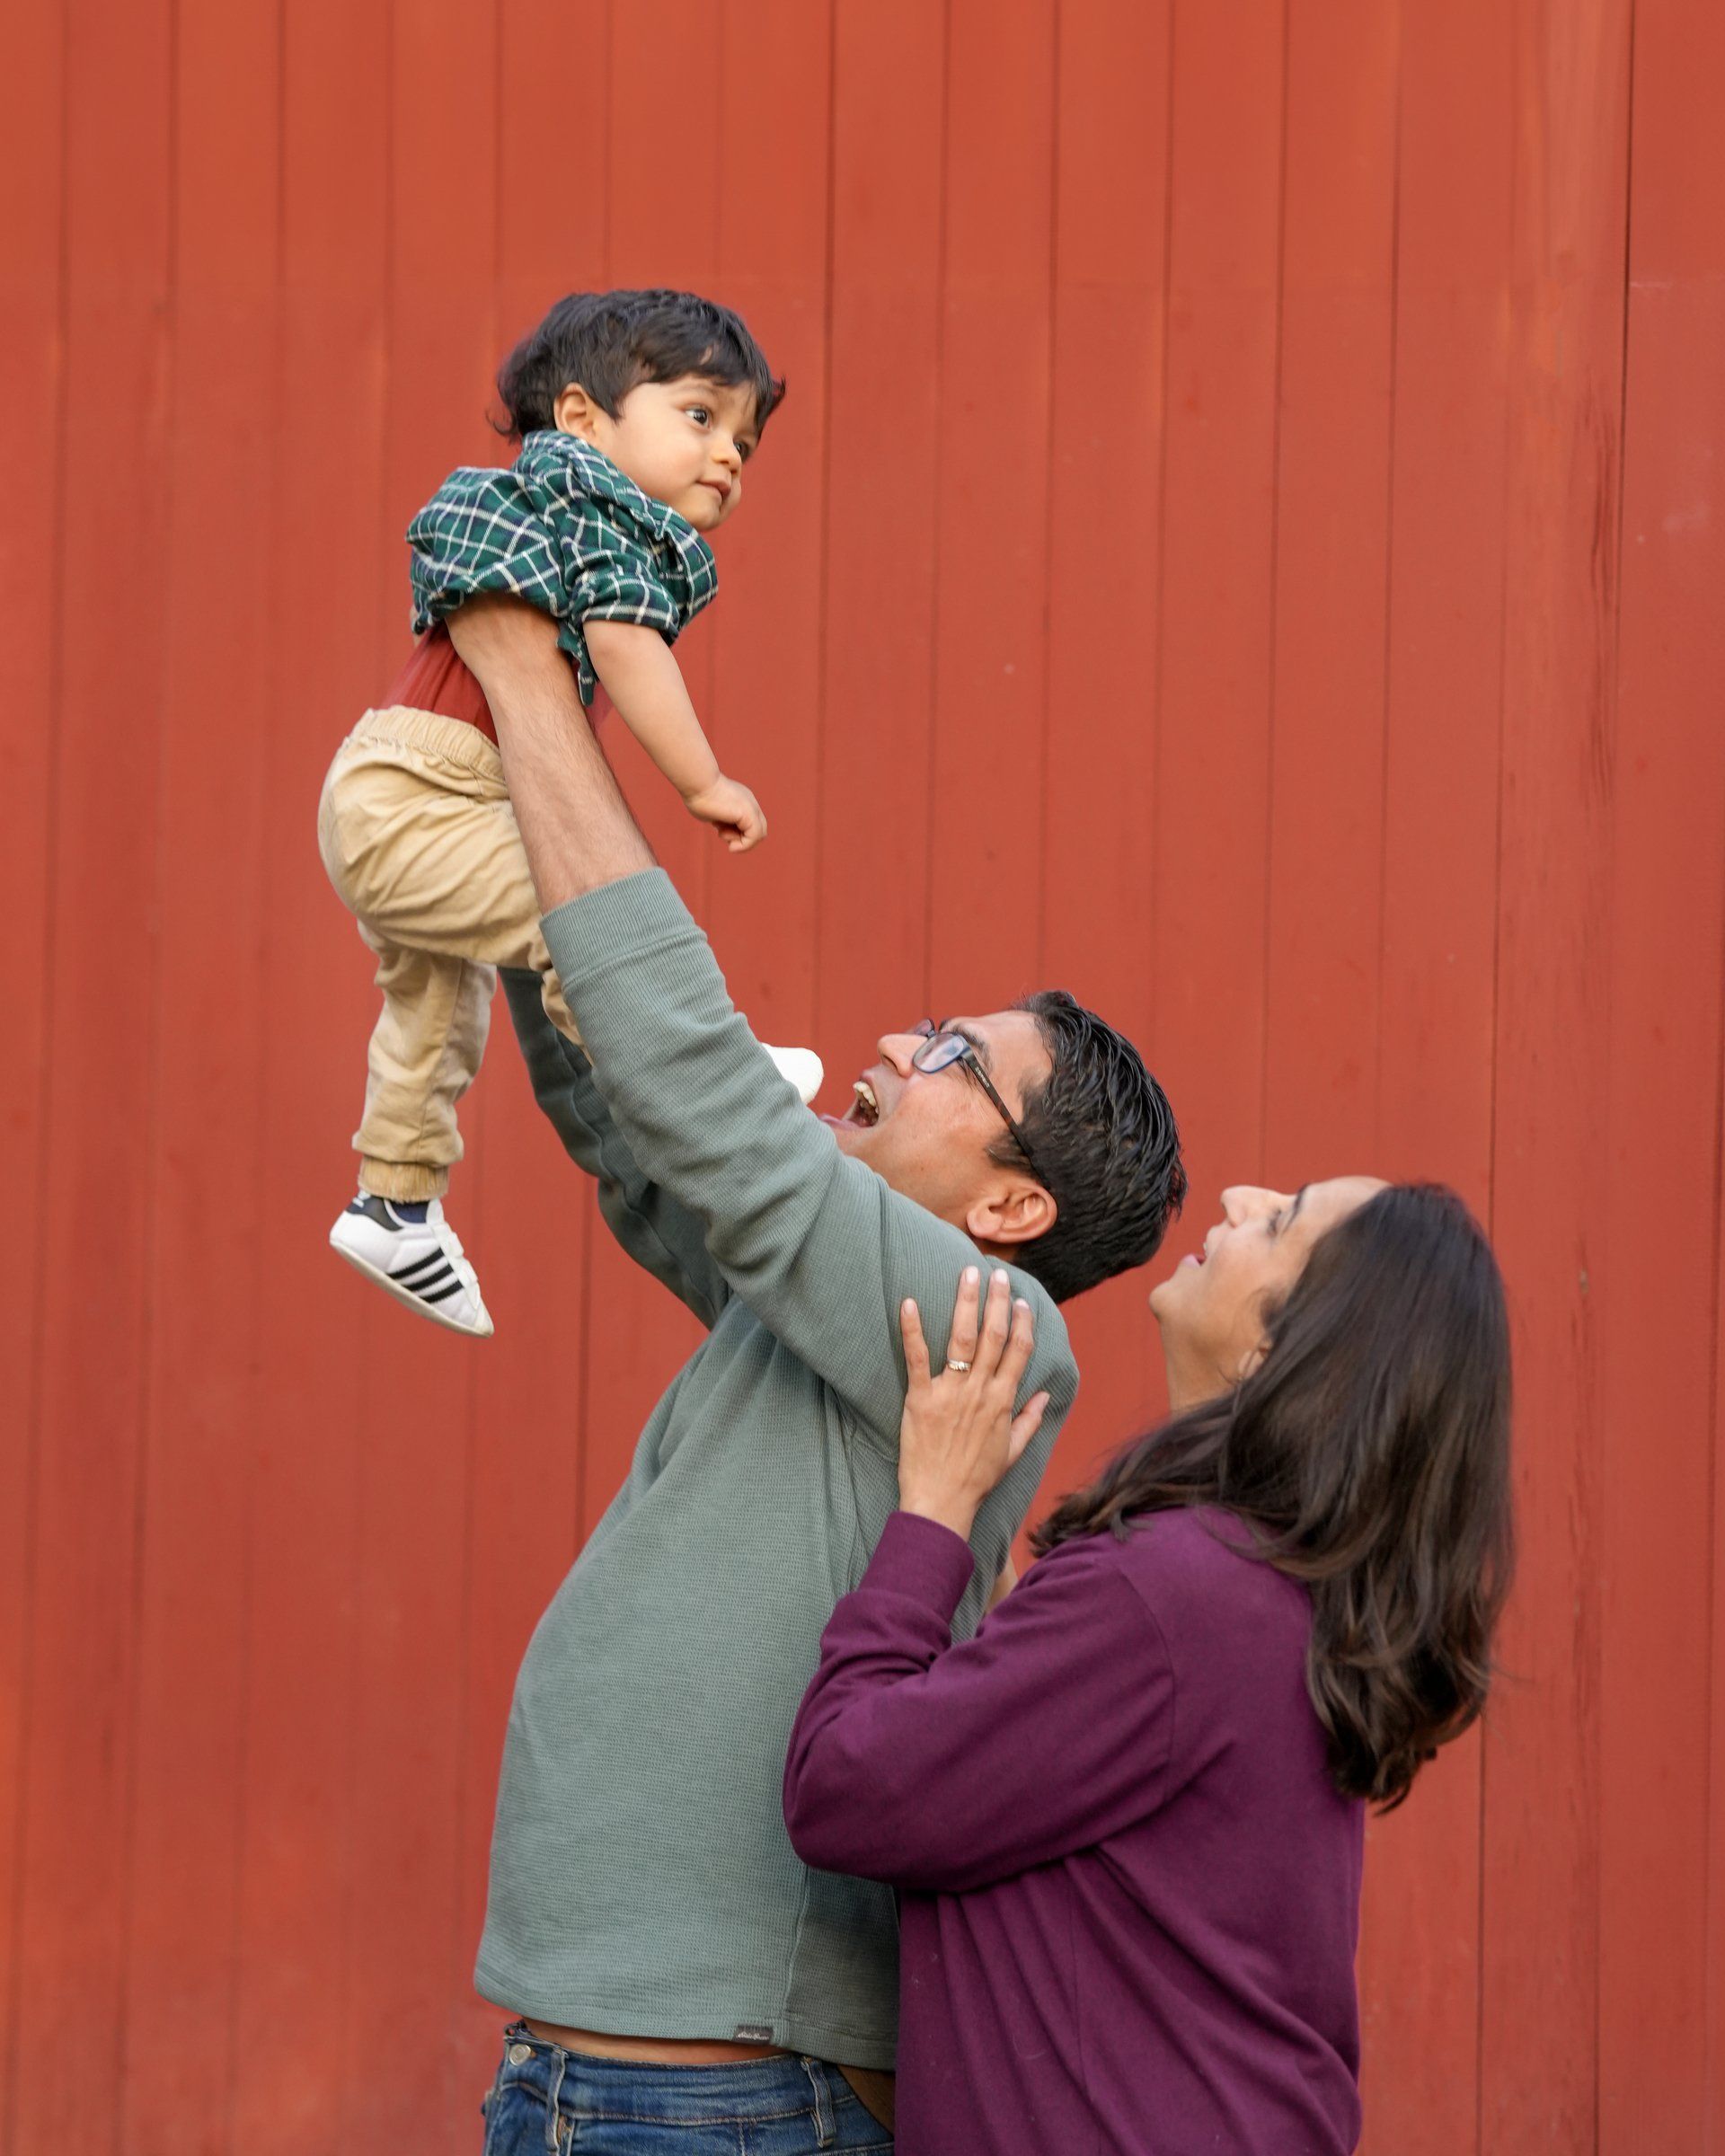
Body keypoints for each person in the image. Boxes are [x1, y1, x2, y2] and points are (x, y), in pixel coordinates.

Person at [436, 593, 1184, 2154]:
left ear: (1010, 1209)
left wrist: (529, 683)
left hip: (715, 2098)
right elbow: (650, 1151)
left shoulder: (988, 1323)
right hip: (619, 2084)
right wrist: (514, 893)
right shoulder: (849, 1313)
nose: (903, 1042)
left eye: (954, 1060)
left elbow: (713, 1112)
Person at [784, 1178, 1515, 2155]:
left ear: (1276, 1348)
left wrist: (932, 1514)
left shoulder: (1179, 1592)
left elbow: (843, 1786)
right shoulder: (1256, 1592)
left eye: (1280, 1218)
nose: (1237, 1195)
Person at [318, 289, 815, 1338]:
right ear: (585, 420)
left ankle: (394, 1203)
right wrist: (703, 781)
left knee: (435, 1006)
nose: (728, 455)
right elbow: (629, 647)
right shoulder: (590, 505)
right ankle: (699, 1070)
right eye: (699, 416)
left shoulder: (548, 505)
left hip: (399, 793)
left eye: (745, 441)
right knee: (584, 915)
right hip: (428, 796)